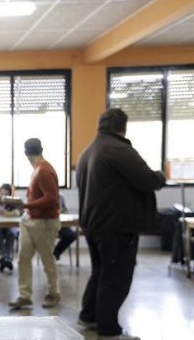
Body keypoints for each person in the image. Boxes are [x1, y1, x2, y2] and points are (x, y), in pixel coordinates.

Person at [76, 108, 166, 340]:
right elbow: (147, 179)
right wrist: (161, 176)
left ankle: (89, 316)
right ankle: (108, 329)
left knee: (100, 272)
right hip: (116, 228)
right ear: (122, 127)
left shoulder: (89, 150)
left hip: (93, 225)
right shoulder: (118, 149)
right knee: (116, 276)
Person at [8, 138, 61, 309]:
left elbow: (51, 199)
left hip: (44, 222)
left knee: (47, 259)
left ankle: (54, 293)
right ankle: (25, 295)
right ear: (41, 149)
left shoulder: (44, 171)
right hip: (30, 220)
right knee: (23, 258)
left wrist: (25, 205)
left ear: (25, 153)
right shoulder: (39, 169)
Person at [53, 194, 76, 261]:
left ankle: (56, 252)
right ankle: (48, 256)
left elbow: (65, 210)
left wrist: (63, 211)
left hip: (61, 223)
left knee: (71, 235)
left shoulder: (60, 197)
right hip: (47, 224)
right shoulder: (42, 195)